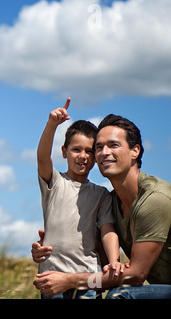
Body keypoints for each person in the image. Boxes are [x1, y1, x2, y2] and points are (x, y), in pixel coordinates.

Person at [32, 113, 171, 299]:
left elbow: (136, 276)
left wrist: (71, 280)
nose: (104, 152)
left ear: (135, 151)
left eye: (113, 145)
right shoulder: (112, 200)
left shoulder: (154, 199)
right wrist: (48, 246)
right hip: (56, 276)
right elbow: (96, 246)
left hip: (86, 286)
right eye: (99, 147)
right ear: (64, 151)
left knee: (119, 295)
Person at [35, 98, 123, 299]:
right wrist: (51, 125)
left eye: (90, 151)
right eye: (76, 149)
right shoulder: (54, 183)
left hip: (87, 279)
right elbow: (42, 158)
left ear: (96, 156)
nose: (83, 156)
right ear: (64, 152)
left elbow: (108, 229)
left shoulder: (101, 194)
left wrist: (113, 260)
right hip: (51, 276)